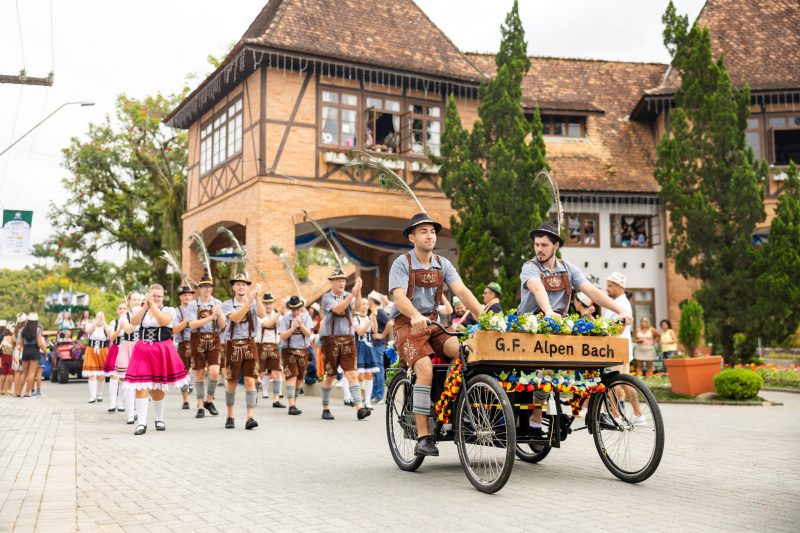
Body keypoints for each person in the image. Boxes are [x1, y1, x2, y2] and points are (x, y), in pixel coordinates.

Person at [518, 223, 633, 436]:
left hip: (559, 327)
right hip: (530, 329)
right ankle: (535, 418)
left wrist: (619, 311)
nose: (539, 249)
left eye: (544, 245)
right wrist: (549, 311)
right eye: (536, 245)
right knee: (547, 368)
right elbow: (536, 287)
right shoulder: (530, 267)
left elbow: (591, 290)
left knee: (594, 353)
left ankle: (598, 406)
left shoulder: (569, 269)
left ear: (556, 246)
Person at [389, 213, 484, 456]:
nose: (430, 235)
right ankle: (423, 436)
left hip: (433, 324)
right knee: (425, 368)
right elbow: (399, 297)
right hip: (406, 325)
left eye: (432, 231)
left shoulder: (443, 264)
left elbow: (461, 291)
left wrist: (485, 316)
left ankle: (451, 405)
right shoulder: (402, 263)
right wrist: (414, 315)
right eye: (423, 231)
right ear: (412, 237)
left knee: (467, 352)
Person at [124, 284, 190, 435]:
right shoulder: (139, 310)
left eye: (159, 296)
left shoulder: (168, 310)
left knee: (158, 387)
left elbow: (163, 322)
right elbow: (134, 322)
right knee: (141, 385)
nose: (157, 298)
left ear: (163, 297)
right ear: (148, 295)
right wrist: (145, 307)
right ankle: (141, 423)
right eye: (154, 296)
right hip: (143, 350)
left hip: (161, 350)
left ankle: (159, 419)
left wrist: (153, 306)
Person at [318, 268, 370, 421]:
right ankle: (325, 407)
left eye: (343, 280)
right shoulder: (327, 297)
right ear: (332, 283)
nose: (341, 283)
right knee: (330, 376)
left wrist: (358, 292)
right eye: (338, 280)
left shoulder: (349, 295)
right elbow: (338, 309)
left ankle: (359, 408)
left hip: (348, 339)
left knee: (352, 374)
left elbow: (359, 308)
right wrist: (352, 295)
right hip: (330, 341)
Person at [220, 273, 266, 430]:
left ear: (247, 287)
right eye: (238, 284)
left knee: (250, 380)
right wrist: (250, 301)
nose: (241, 287)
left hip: (249, 343)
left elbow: (262, 314)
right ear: (233, 287)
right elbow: (237, 318)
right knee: (231, 382)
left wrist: (257, 297)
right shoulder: (227, 304)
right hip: (233, 345)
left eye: (244, 284)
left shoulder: (253, 301)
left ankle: (250, 417)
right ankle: (230, 416)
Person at [600, 272, 645, 426]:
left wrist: (603, 329)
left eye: (610, 286)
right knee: (626, 383)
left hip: (616, 349)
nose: (607, 289)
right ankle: (638, 415)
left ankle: (616, 416)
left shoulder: (622, 304)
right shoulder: (619, 302)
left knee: (613, 383)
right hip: (620, 348)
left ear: (620, 286)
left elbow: (618, 328)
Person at [187, 273, 226, 419]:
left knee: (215, 372)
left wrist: (220, 314)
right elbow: (191, 325)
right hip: (197, 338)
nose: (207, 289)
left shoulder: (218, 302)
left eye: (209, 287)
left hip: (214, 339)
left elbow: (222, 326)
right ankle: (200, 405)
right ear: (199, 289)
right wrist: (211, 317)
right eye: (204, 287)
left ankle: (209, 400)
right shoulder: (193, 304)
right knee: (199, 373)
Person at [278, 295, 313, 415]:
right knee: (291, 376)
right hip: (288, 351)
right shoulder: (284, 319)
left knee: (299, 379)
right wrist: (293, 328)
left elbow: (309, 334)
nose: (296, 312)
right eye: (293, 310)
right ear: (290, 309)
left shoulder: (306, 317)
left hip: (302, 351)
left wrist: (301, 325)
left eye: (298, 309)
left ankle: (294, 402)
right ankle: (291, 406)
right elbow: (282, 336)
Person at [117, 292, 144, 423]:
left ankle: (138, 410)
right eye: (134, 299)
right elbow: (127, 330)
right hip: (128, 348)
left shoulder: (147, 314)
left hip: (142, 348)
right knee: (128, 381)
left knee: (140, 381)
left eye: (139, 299)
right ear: (129, 301)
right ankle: (130, 413)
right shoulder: (124, 316)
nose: (137, 302)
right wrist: (136, 318)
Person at [256, 293, 284, 408]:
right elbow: (268, 324)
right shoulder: (259, 316)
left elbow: (285, 323)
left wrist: (285, 310)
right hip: (261, 346)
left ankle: (276, 399)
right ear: (263, 304)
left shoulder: (278, 316)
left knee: (277, 372)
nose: (268, 306)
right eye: (266, 303)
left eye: (270, 303)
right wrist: (279, 312)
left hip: (274, 346)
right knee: (260, 373)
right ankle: (254, 396)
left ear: (273, 304)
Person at [354, 297, 379, 410]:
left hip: (369, 347)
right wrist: (370, 320)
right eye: (363, 304)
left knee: (369, 375)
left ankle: (367, 402)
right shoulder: (355, 319)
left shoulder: (369, 317)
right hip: (360, 347)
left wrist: (374, 318)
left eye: (366, 304)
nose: (364, 306)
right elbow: (360, 331)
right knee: (360, 375)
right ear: (359, 306)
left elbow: (375, 330)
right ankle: (359, 401)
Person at [102, 302, 128, 412]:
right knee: (114, 376)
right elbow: (111, 337)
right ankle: (112, 402)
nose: (122, 310)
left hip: (127, 350)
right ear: (117, 311)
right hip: (116, 349)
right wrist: (119, 328)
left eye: (124, 308)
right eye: (120, 308)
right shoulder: (114, 322)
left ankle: (120, 402)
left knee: (123, 377)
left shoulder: (131, 321)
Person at [368, 291, 392, 404]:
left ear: (372, 300)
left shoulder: (379, 311)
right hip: (374, 344)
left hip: (378, 344)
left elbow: (390, 323)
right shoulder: (375, 312)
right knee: (374, 369)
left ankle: (380, 396)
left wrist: (382, 335)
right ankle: (374, 394)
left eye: (368, 300)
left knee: (379, 369)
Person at [173, 284, 195, 410]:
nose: (187, 296)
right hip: (184, 343)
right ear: (180, 297)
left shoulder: (197, 309)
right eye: (185, 294)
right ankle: (185, 400)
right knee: (184, 372)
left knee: (200, 370)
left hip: (198, 342)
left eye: (189, 294)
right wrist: (186, 320)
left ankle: (202, 400)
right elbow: (175, 329)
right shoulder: (176, 311)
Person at [83, 312, 112, 403]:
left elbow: (110, 334)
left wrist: (104, 322)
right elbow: (88, 331)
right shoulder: (90, 325)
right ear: (95, 317)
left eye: (102, 316)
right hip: (91, 350)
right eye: (98, 316)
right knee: (92, 374)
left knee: (101, 375)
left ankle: (99, 394)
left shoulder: (106, 327)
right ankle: (92, 395)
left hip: (103, 351)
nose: (100, 318)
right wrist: (96, 323)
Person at [17, 313, 47, 398]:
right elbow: (39, 343)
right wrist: (43, 348)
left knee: (24, 373)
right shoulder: (38, 330)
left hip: (26, 350)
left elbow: (21, 343)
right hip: (34, 350)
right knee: (32, 373)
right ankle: (27, 393)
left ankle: (18, 392)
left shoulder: (23, 329)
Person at [1, 324, 15, 395]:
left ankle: (1, 389)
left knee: (3, 372)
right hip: (11, 356)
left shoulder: (4, 337)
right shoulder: (12, 337)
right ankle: (9, 389)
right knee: (10, 372)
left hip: (4, 356)